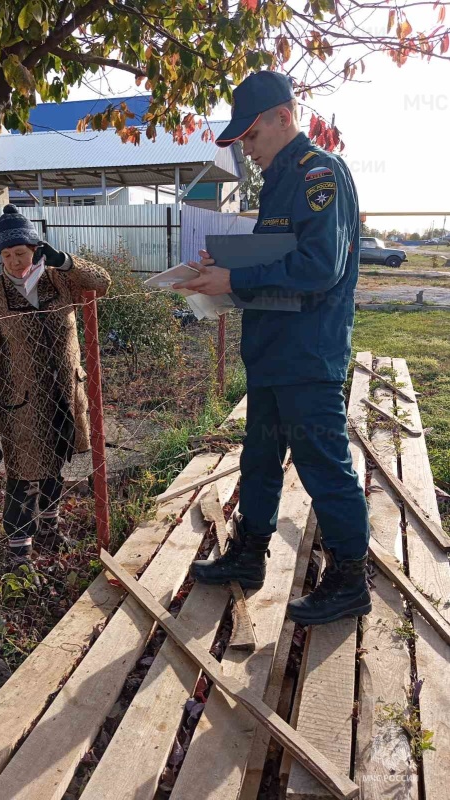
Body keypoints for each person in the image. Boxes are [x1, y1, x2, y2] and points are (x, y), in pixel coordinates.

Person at [174, 71, 371, 626]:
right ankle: (249, 554)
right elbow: (275, 254)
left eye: (251, 138)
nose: (248, 151)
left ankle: (350, 579)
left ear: (284, 118)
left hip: (306, 358)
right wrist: (225, 266)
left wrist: (235, 283)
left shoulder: (318, 176)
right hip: (269, 353)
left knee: (324, 468)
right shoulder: (279, 180)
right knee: (258, 460)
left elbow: (317, 267)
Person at [0, 204, 111, 567]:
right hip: (21, 402)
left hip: (65, 394)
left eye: (20, 253)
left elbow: (102, 282)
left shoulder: (59, 279)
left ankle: (49, 527)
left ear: (35, 249)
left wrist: (67, 261)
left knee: (57, 462)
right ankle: (18, 549)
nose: (13, 261)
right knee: (24, 475)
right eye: (6, 254)